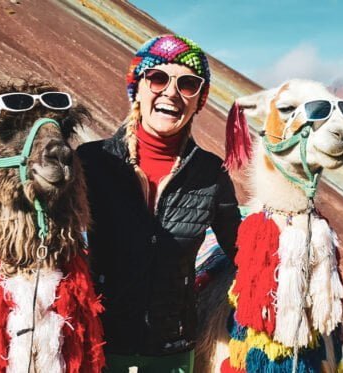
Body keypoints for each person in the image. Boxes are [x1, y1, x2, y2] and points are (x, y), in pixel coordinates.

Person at [76, 34, 241, 372]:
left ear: (198, 101)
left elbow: (242, 251)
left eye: (188, 84)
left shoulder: (210, 174)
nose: (171, 92)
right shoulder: (92, 162)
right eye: (158, 78)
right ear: (137, 88)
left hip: (172, 351)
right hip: (99, 345)